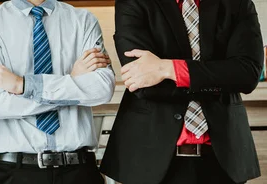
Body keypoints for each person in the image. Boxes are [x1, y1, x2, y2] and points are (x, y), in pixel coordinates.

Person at [100, 0, 264, 183]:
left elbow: (247, 74)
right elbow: (142, 82)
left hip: (225, 159)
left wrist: (168, 69)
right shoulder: (133, 2)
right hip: (149, 161)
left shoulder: (237, 3)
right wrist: (217, 77)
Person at [0, 0, 116, 183]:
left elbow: (102, 89)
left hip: (80, 170)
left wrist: (23, 85)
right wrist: (71, 81)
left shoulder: (84, 21)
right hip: (16, 172)